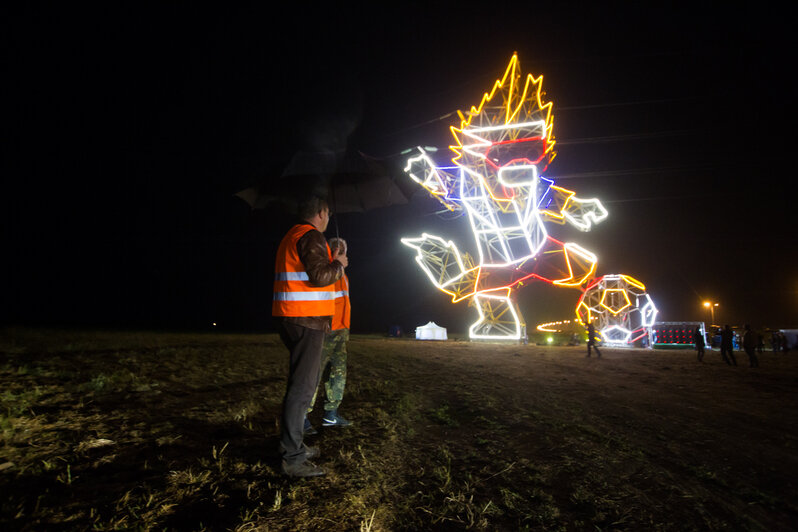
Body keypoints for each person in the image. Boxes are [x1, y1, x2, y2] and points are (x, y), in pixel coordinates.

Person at [272, 196, 347, 478]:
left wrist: (333, 253)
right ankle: (292, 457)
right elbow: (320, 276)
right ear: (321, 212)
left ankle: (294, 446)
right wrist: (339, 264)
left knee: (302, 383)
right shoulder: (311, 235)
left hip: (292, 316)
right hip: (307, 319)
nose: (328, 217)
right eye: (328, 212)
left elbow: (310, 270)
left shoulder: (295, 235)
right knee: (303, 388)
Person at [305, 237, 353, 433]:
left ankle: (331, 414)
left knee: (338, 373)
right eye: (341, 251)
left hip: (341, 331)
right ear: (333, 252)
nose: (345, 256)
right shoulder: (324, 271)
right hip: (325, 330)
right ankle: (302, 417)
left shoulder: (341, 273)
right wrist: (336, 265)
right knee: (313, 375)